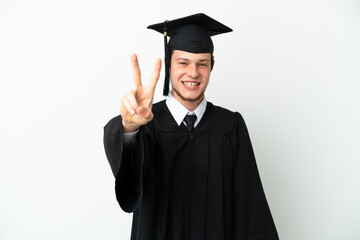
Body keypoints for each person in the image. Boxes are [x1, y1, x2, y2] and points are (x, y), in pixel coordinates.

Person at [103, 13, 279, 240]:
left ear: (212, 66)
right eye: (183, 63)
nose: (193, 73)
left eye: (202, 64)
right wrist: (129, 128)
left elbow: (250, 208)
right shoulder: (147, 124)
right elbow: (128, 187)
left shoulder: (230, 126)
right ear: (168, 65)